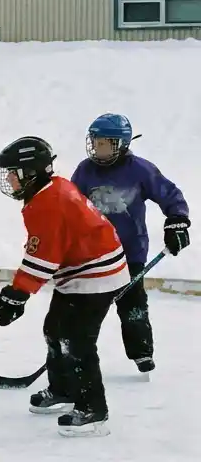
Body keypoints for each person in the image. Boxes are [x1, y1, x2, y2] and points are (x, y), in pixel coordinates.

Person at [0, 136, 128, 437]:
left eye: (13, 173)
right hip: (82, 270)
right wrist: (17, 293)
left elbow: (44, 256)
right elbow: (45, 250)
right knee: (55, 329)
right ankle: (64, 388)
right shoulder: (50, 191)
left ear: (31, 172)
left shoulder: (49, 202)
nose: (9, 180)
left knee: (77, 341)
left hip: (96, 275)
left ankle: (93, 410)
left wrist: (17, 294)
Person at [70, 113, 190, 373]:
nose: (97, 147)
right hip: (94, 255)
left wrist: (177, 221)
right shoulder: (84, 170)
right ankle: (73, 353)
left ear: (121, 144)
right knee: (84, 309)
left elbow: (170, 195)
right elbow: (70, 206)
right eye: (94, 141)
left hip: (129, 253)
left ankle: (141, 352)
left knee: (132, 305)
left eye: (104, 142)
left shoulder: (140, 170)